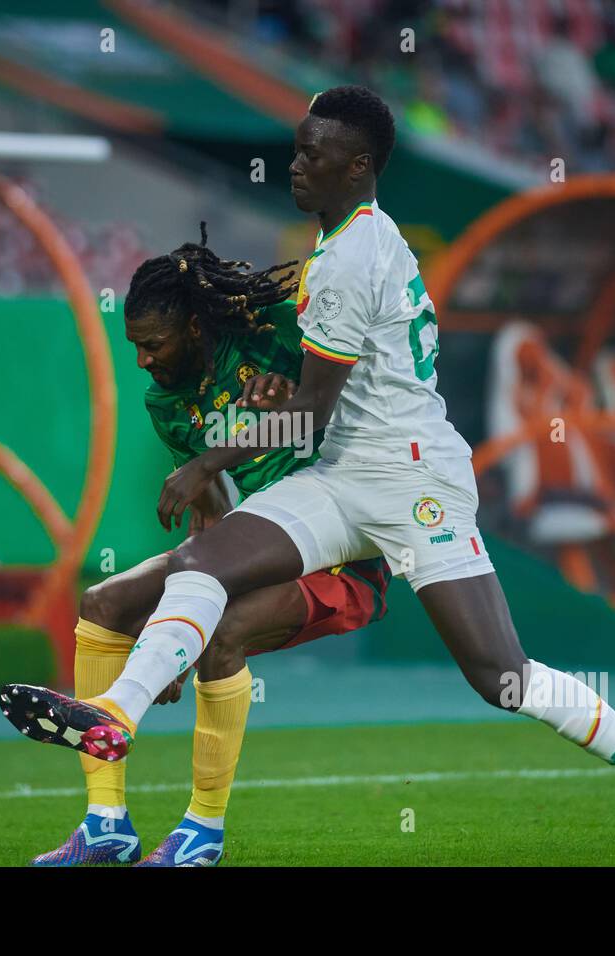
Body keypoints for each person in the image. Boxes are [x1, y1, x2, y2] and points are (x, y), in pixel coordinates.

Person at [2, 87, 615, 867]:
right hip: (339, 476)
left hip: (411, 476)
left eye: (313, 153)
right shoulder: (337, 247)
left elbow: (315, 409)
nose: (296, 165)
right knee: (203, 562)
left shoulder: (355, 254)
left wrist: (210, 460)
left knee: (501, 677)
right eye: (295, 148)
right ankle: (115, 715)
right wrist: (256, 411)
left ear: (359, 166)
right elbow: (314, 401)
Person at [28, 227, 390, 867]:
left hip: (343, 552)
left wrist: (184, 638)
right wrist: (171, 636)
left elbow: (347, 400)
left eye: (153, 344)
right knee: (102, 603)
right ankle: (106, 825)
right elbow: (215, 515)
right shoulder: (166, 400)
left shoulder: (276, 332)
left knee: (220, 632)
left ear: (196, 327)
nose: (142, 359)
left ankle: (202, 833)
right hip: (251, 542)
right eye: (134, 345)